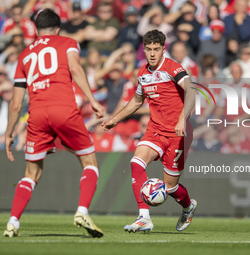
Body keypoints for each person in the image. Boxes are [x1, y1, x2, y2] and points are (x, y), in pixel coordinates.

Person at [3, 9, 105, 238]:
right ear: (58, 27)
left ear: (37, 30)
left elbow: (16, 104)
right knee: (90, 162)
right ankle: (82, 211)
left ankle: (12, 222)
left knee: (31, 173)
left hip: (37, 114)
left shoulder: (24, 55)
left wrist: (9, 134)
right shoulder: (67, 42)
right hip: (64, 109)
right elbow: (75, 69)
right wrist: (93, 101)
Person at [102, 29, 197, 233]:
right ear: (143, 50)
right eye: (148, 49)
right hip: (155, 130)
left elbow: (192, 90)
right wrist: (114, 119)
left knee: (170, 187)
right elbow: (137, 100)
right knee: (136, 162)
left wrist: (182, 119)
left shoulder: (173, 68)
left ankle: (188, 207)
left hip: (177, 134)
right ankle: (144, 217)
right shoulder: (143, 73)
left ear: (164, 49)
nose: (152, 53)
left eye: (156, 49)